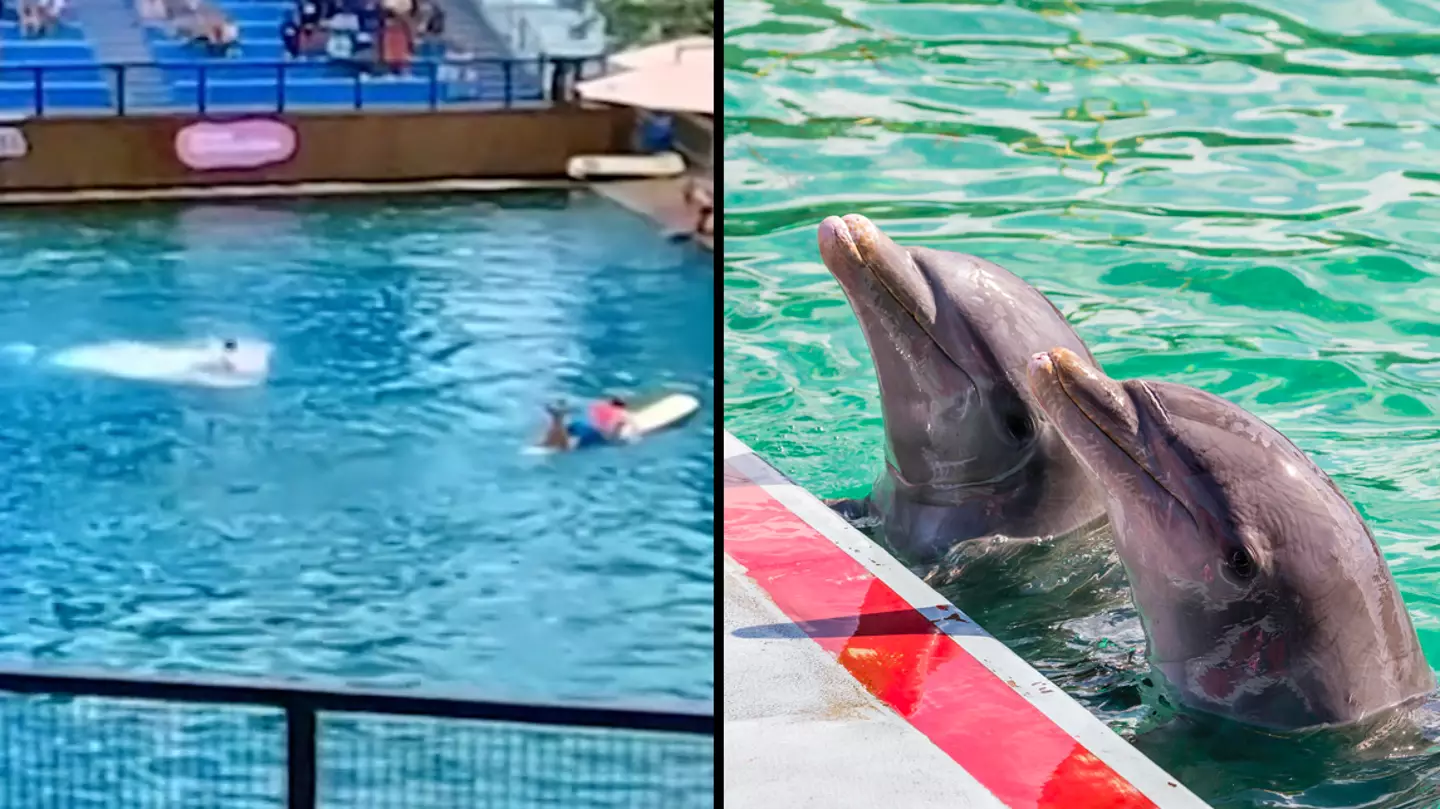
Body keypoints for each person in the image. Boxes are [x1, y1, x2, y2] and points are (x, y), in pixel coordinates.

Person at [540, 396, 637, 451]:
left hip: (580, 424)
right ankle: (558, 418)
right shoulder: (622, 413)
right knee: (567, 448)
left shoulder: (598, 406)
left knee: (549, 443)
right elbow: (613, 435)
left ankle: (556, 420)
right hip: (595, 433)